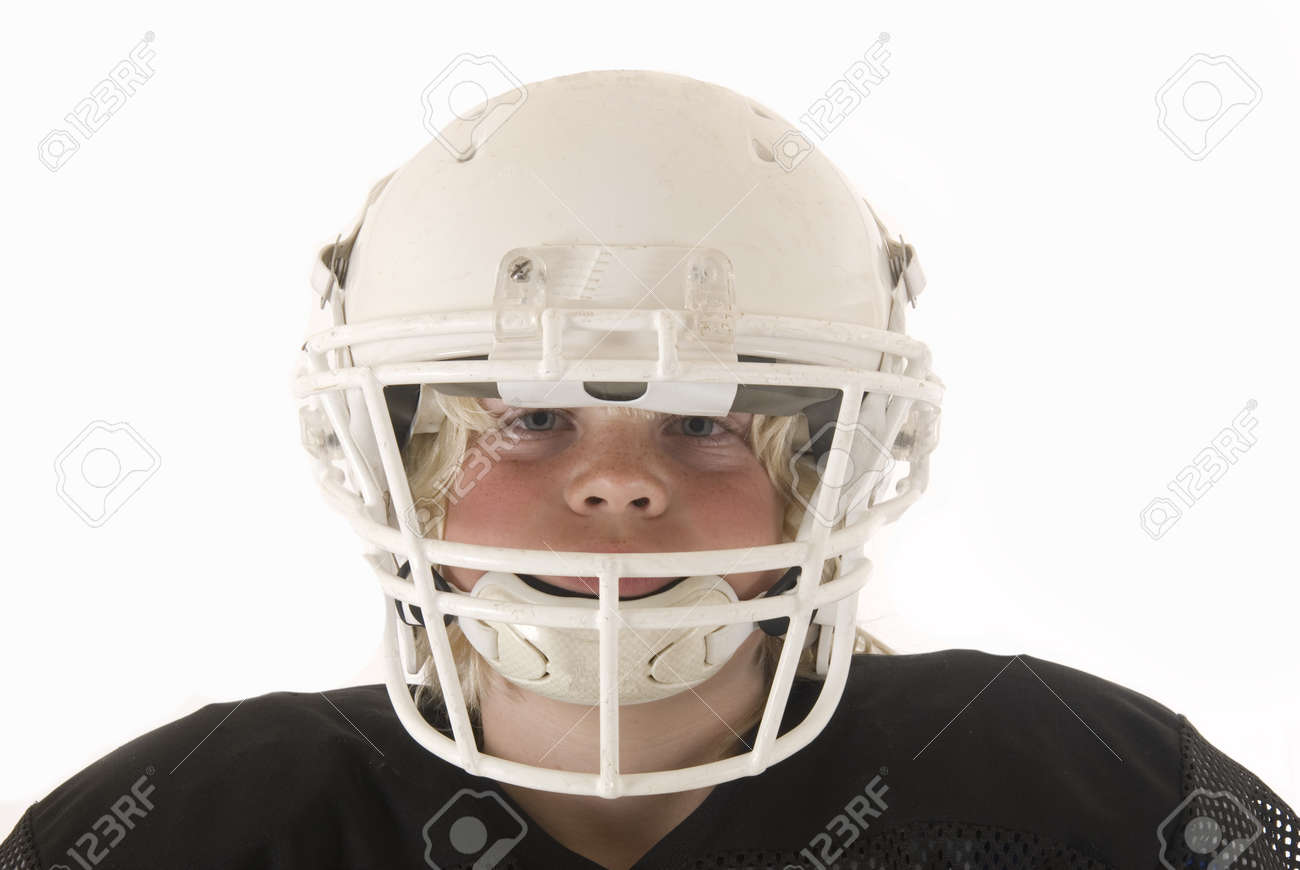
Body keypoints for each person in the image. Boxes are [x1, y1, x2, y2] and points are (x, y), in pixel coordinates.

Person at [3, 68, 1294, 870]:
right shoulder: (194, 826)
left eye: (704, 423)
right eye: (527, 419)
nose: (616, 486)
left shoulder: (1091, 797)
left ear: (828, 473)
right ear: (400, 458)